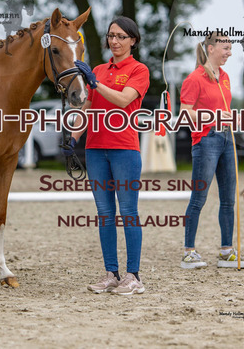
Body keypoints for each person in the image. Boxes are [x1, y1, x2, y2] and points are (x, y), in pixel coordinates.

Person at [66, 16, 150, 295]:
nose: (114, 41)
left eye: (121, 37)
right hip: (95, 150)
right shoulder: (100, 69)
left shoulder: (139, 70)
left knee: (128, 212)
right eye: (111, 36)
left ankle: (133, 276)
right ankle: (111, 273)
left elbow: (124, 100)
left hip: (125, 149)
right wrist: (73, 138)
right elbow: (87, 108)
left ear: (133, 40)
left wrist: (94, 82)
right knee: (104, 213)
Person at [179, 31, 244, 269]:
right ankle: (188, 253)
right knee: (198, 198)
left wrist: (230, 118)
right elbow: (185, 112)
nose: (229, 53)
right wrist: (213, 116)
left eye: (230, 48)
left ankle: (226, 252)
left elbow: (225, 108)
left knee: (228, 199)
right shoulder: (195, 78)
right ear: (210, 49)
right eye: (226, 48)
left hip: (226, 139)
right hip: (205, 140)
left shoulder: (225, 77)